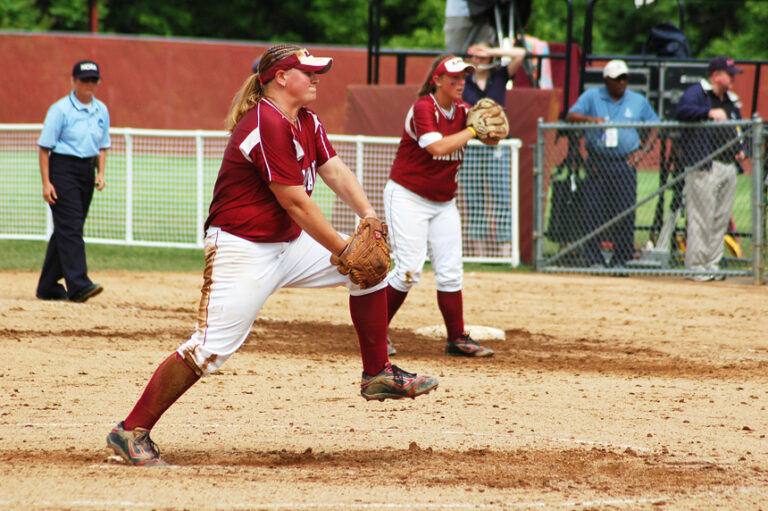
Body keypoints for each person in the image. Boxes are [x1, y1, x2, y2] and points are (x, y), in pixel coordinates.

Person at [106, 44, 439, 467]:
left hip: (288, 241)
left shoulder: (306, 120)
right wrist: (343, 249)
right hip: (243, 247)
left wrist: (369, 215)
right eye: (308, 71)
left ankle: (377, 373)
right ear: (280, 77)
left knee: (370, 272)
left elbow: (334, 169)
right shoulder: (266, 122)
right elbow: (295, 203)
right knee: (210, 349)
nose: (317, 77)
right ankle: (130, 429)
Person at [383, 55, 494, 358]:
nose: (461, 83)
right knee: (408, 269)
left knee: (450, 272)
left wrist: (491, 128)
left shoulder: (464, 110)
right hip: (408, 196)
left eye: (464, 78)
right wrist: (474, 131)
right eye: (454, 78)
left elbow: (495, 137)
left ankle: (457, 338)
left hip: (443, 203)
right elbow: (436, 146)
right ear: (437, 80)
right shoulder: (424, 108)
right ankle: (375, 334)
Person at [565, 59, 659, 268]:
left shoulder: (638, 100)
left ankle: (621, 259)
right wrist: (591, 120)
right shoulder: (592, 96)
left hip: (625, 163)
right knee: (593, 211)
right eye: (618, 79)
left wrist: (643, 150)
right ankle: (594, 259)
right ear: (607, 80)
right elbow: (571, 116)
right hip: (598, 162)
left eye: (625, 78)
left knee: (625, 212)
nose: (622, 83)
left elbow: (655, 124)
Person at [36, 60, 109, 302]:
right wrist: (46, 183)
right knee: (72, 226)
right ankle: (78, 285)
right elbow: (45, 148)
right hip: (63, 169)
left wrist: (101, 172)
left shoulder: (101, 110)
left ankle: (47, 286)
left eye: (93, 80)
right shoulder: (60, 110)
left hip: (87, 170)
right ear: (74, 81)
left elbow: (102, 146)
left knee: (67, 227)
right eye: (84, 79)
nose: (89, 84)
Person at [674, 56, 746, 281]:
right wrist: (707, 113)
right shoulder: (698, 93)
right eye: (730, 73)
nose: (734, 78)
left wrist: (741, 148)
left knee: (720, 218)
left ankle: (712, 266)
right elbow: (682, 112)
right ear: (716, 75)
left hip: (728, 166)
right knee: (700, 217)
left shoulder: (730, 100)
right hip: (706, 166)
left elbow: (739, 127)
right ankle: (696, 267)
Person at [462, 42, 526, 257]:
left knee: (501, 196)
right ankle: (481, 255)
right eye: (474, 58)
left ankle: (505, 252)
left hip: (498, 144)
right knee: (474, 197)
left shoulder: (499, 76)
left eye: (482, 58)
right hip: (472, 143)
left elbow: (520, 54)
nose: (477, 62)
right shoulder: (464, 81)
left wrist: (491, 52)